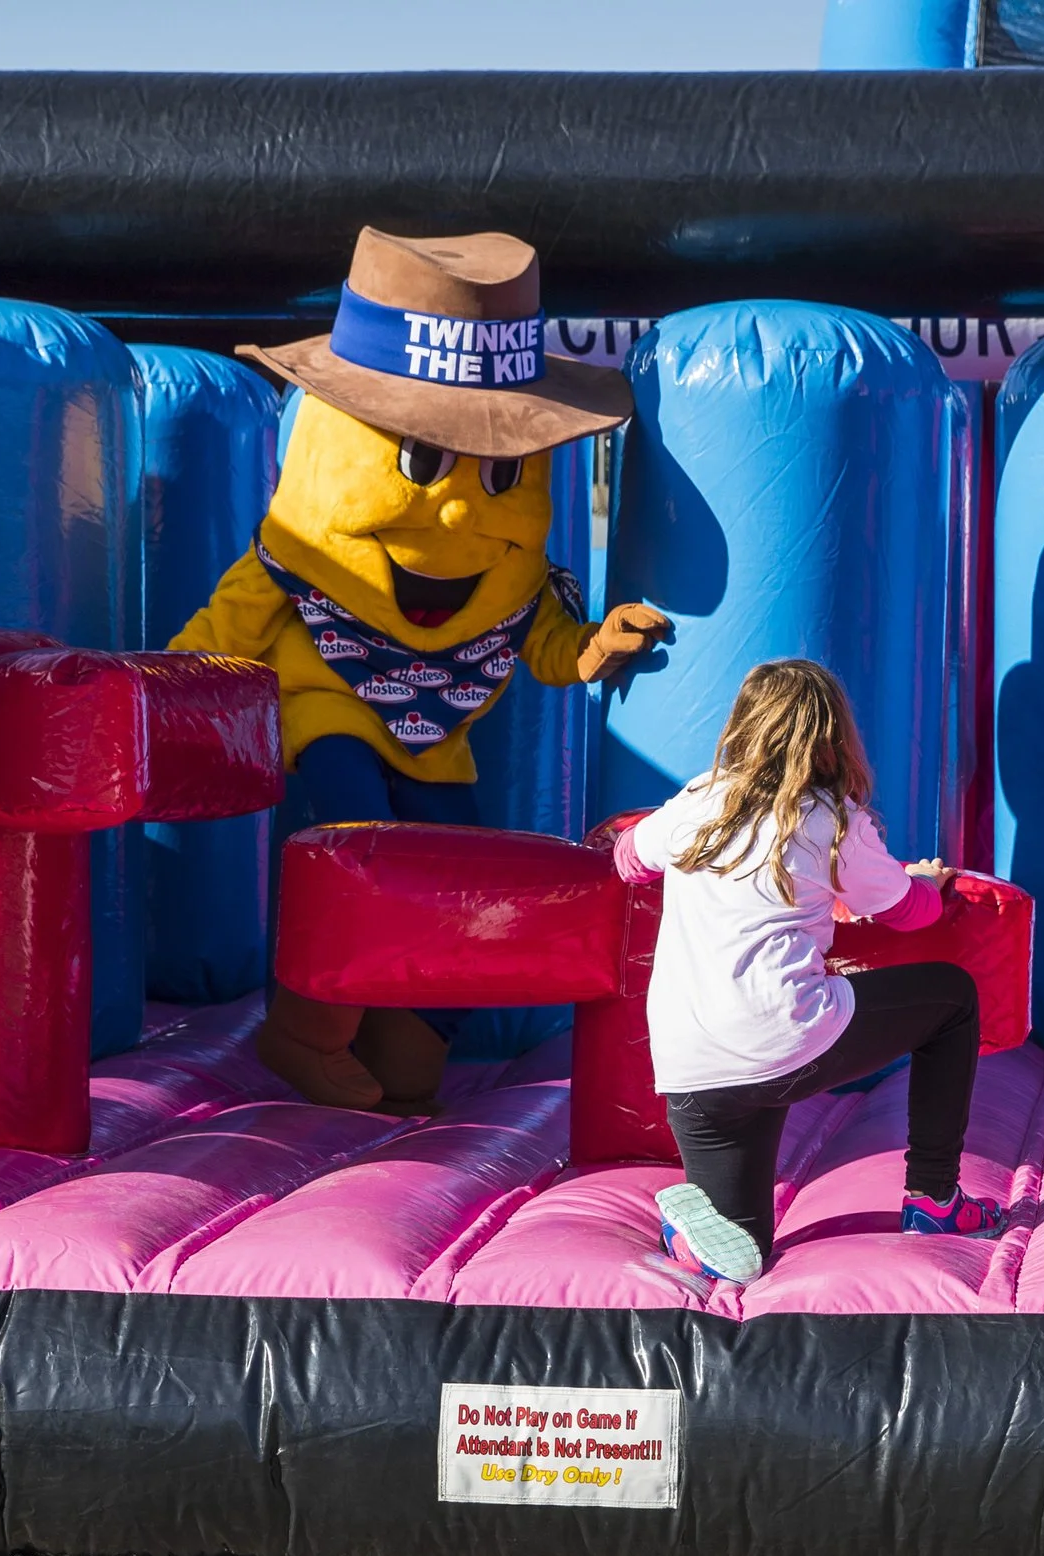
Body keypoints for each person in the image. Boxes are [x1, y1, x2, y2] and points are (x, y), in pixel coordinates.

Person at [169, 226, 670, 1114]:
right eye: (424, 459)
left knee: (455, 879)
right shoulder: (297, 556)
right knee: (359, 841)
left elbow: (543, 644)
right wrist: (167, 696)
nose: (450, 505)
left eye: (498, 469)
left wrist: (593, 647)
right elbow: (226, 633)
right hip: (329, 704)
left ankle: (409, 1036)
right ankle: (307, 1027)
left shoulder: (514, 581)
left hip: (441, 743)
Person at [612, 660, 1006, 1285]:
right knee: (953, 999)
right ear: (833, 739)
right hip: (781, 1039)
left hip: (691, 1068)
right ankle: (935, 1197)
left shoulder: (697, 800)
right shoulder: (826, 820)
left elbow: (628, 860)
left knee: (741, 1256)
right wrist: (931, 881)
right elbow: (908, 913)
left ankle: (694, 1231)